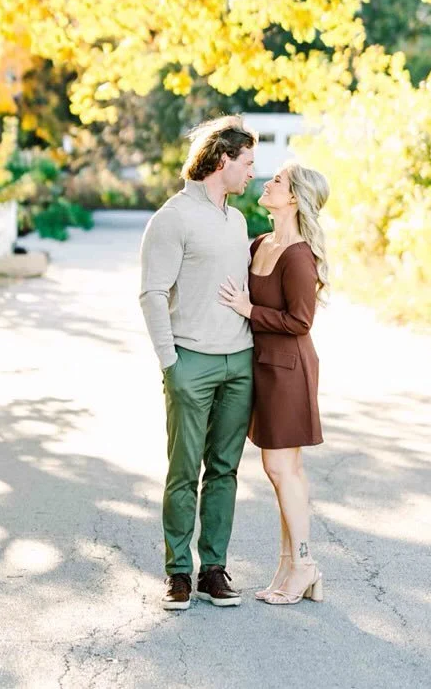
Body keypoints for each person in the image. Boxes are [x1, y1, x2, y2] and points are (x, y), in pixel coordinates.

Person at [139, 116, 256, 612]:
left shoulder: (238, 218)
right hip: (192, 362)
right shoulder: (173, 217)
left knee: (225, 471)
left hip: (240, 363)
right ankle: (178, 574)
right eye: (247, 163)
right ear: (222, 160)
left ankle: (213, 569)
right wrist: (172, 364)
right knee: (184, 471)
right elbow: (151, 293)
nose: (254, 173)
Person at [219, 162, 330, 606]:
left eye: (278, 181)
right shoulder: (261, 243)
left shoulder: (299, 255)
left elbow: (300, 321)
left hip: (288, 370)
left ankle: (303, 565)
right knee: (280, 470)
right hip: (262, 366)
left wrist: (249, 311)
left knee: (283, 470)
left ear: (295, 198)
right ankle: (290, 565)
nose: (268, 182)